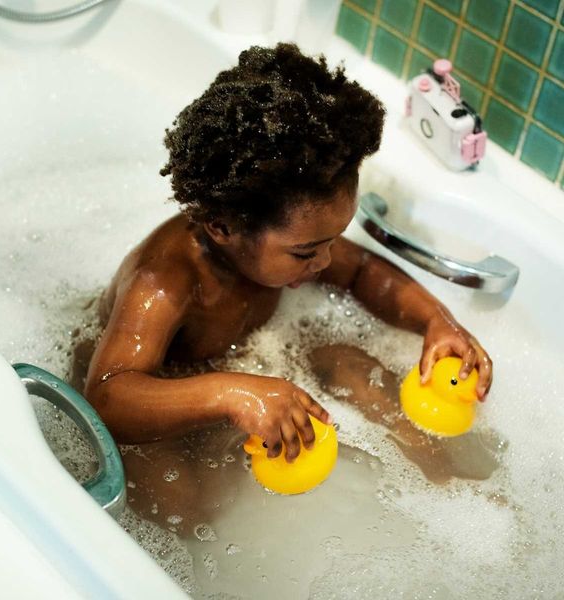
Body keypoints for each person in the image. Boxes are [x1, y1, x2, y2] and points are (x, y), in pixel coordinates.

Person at [84, 43, 493, 473]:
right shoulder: (166, 281)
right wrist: (233, 395)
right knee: (183, 500)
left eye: (333, 240)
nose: (325, 261)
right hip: (157, 403)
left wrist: (435, 321)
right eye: (306, 252)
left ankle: (433, 470)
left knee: (350, 365)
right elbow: (109, 398)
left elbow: (360, 272)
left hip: (248, 366)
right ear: (223, 227)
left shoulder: (294, 239)